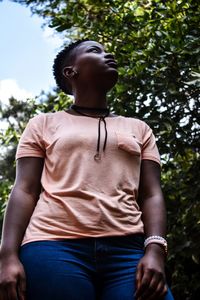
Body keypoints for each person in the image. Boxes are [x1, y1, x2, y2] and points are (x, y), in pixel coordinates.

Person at [0, 40, 174, 300]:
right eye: (96, 51)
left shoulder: (139, 128)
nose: (109, 54)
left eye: (106, 50)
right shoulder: (43, 124)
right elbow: (25, 189)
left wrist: (156, 250)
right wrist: (7, 257)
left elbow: (151, 194)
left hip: (128, 251)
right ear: (71, 72)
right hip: (52, 246)